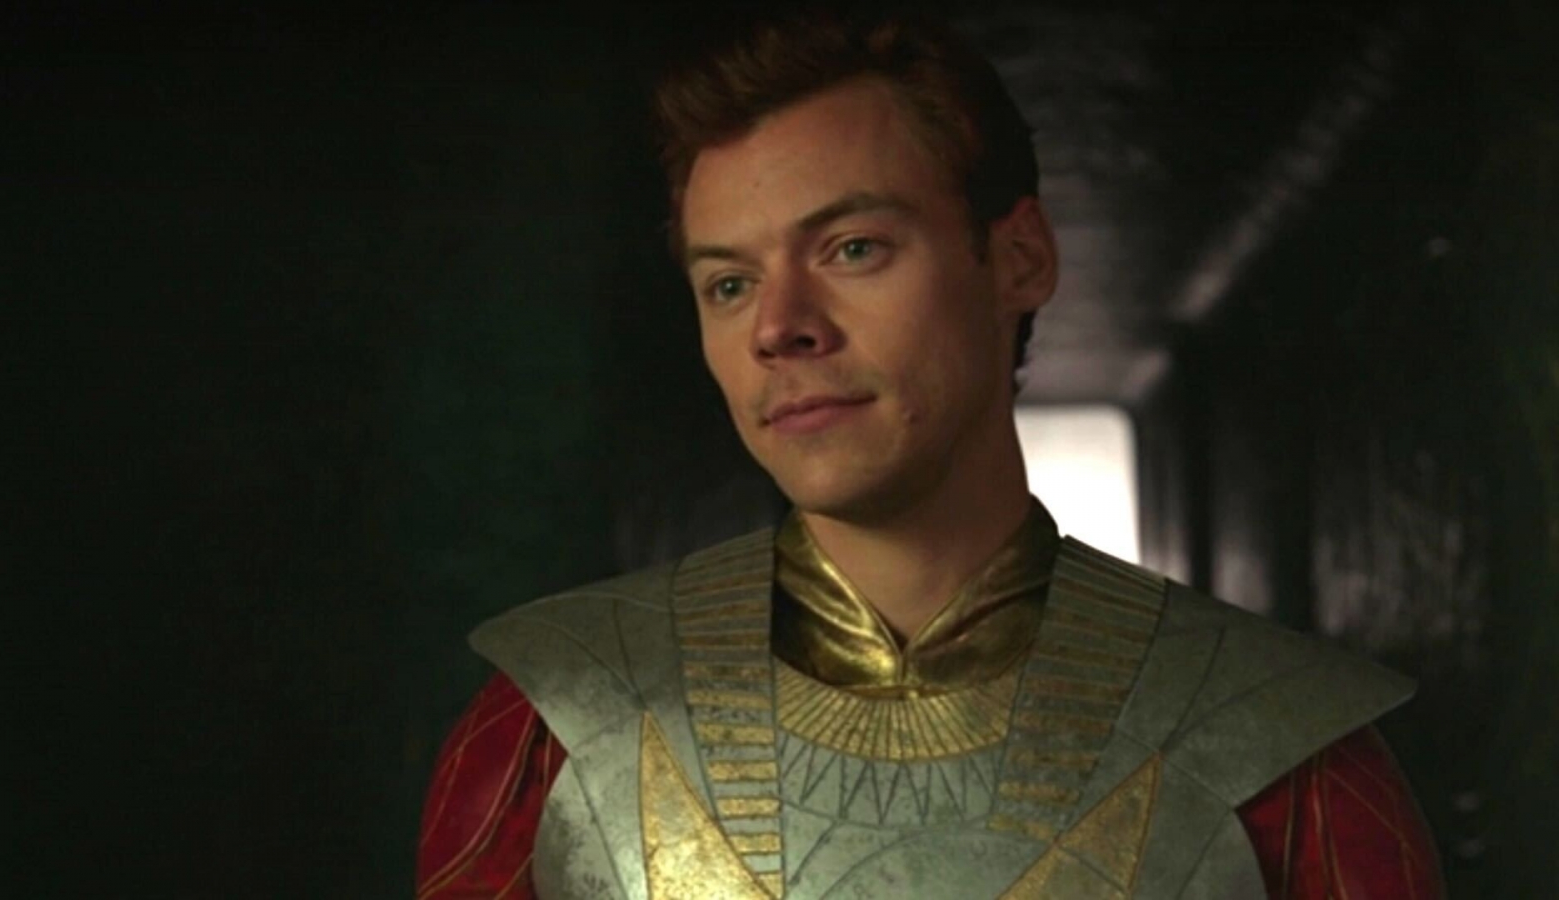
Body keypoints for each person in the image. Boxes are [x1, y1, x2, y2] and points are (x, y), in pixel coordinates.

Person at [414, 10, 1444, 899]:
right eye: (729, 283)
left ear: (1019, 258)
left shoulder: (1281, 755)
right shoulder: (553, 731)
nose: (779, 326)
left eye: (852, 248)